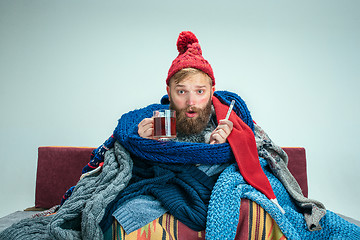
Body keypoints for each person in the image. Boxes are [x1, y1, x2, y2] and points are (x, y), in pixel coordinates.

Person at [1, 31, 359, 240]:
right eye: (182, 91)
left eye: (200, 92)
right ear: (169, 91)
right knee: (126, 215)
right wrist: (139, 144)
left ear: (212, 90)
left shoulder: (232, 121)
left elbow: (267, 161)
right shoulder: (155, 120)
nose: (191, 102)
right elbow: (118, 163)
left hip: (216, 188)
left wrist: (232, 145)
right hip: (164, 188)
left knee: (256, 209)